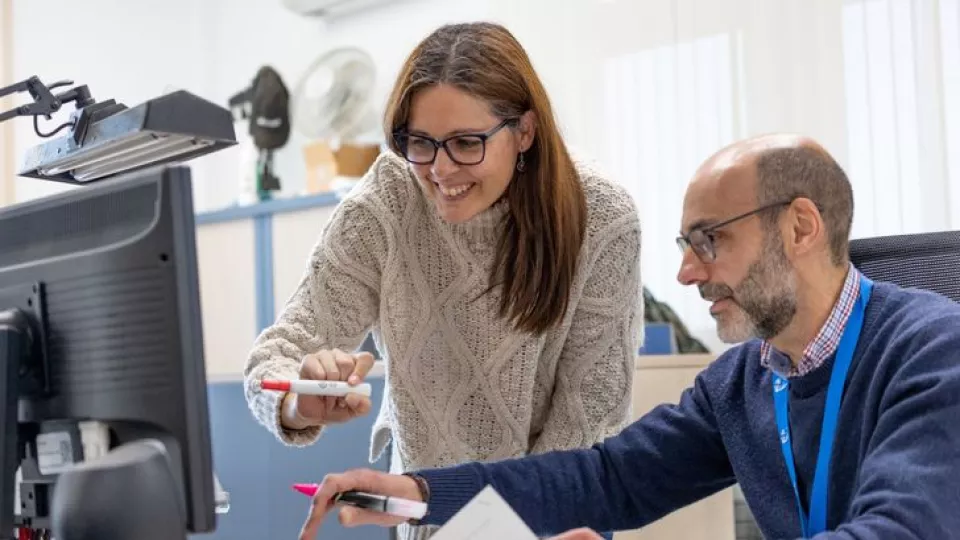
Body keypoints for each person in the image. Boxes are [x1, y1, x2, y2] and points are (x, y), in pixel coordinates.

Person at [297, 134, 960, 540]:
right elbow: (610, 477)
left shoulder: (934, 352)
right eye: (684, 244)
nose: (686, 271)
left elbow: (899, 531)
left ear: (801, 227)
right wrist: (422, 495)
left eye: (710, 240)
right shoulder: (745, 382)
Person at [242, 21, 643, 540]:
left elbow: (587, 425)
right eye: (420, 143)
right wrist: (298, 399)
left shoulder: (601, 218)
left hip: (555, 519)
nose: (440, 169)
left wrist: (485, 528)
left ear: (524, 132)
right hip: (426, 521)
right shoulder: (388, 200)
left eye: (466, 143)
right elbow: (271, 362)